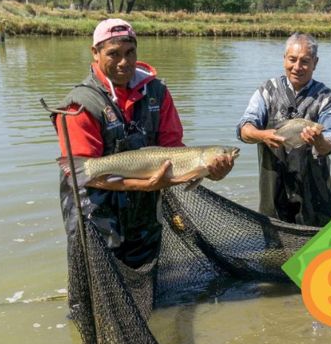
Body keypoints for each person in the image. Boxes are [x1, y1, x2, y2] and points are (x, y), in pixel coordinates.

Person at [54, 19, 234, 269]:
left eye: (130, 52)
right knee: (102, 278)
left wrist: (208, 172)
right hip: (95, 212)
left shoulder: (157, 92)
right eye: (113, 54)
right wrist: (146, 184)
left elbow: (174, 148)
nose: (124, 62)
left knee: (144, 276)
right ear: (95, 53)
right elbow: (81, 175)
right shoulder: (79, 104)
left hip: (144, 213)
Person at [236, 33, 331, 226]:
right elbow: (244, 129)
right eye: (292, 59)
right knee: (274, 243)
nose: (297, 67)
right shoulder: (267, 91)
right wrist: (262, 135)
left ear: (315, 63)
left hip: (315, 197)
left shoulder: (327, 99)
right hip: (273, 193)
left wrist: (319, 141)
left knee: (316, 244)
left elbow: (330, 144)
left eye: (305, 61)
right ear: (284, 58)